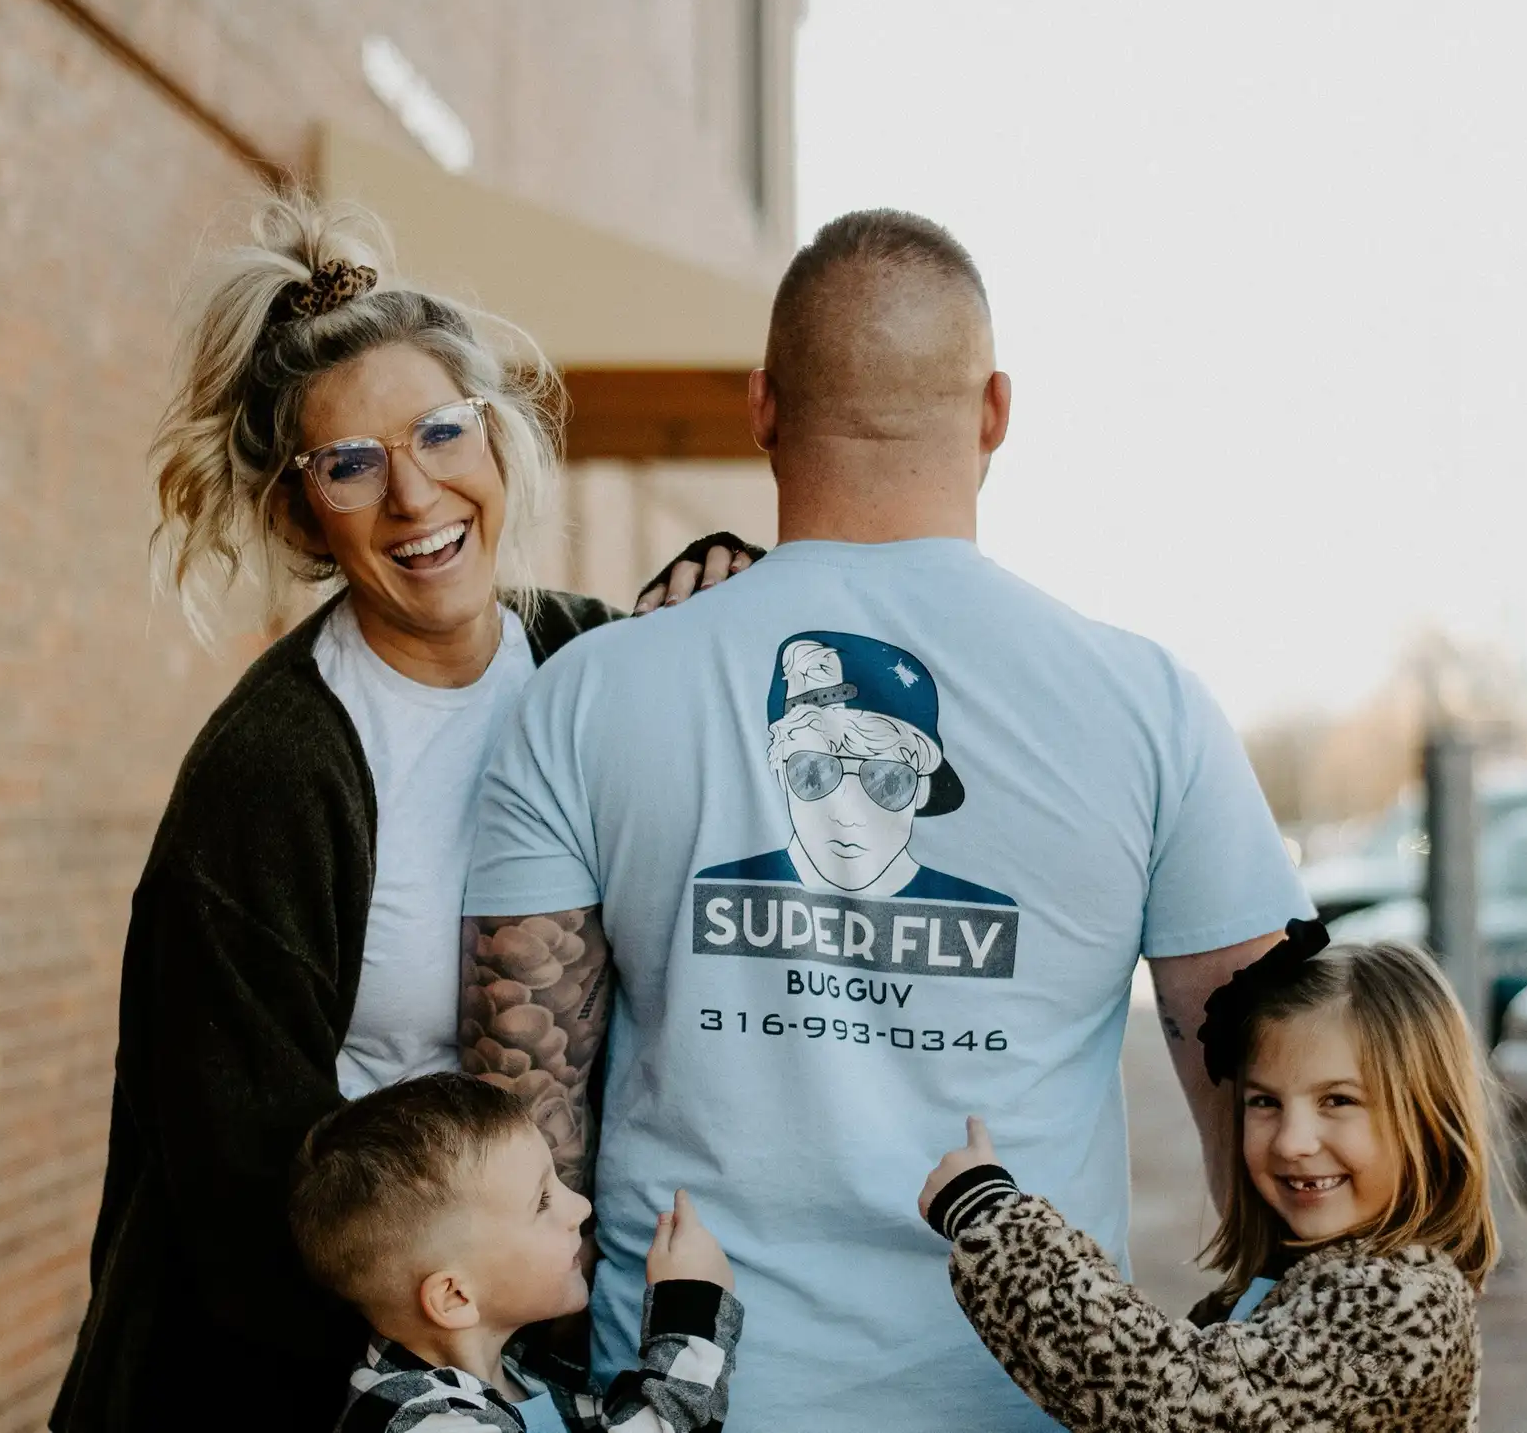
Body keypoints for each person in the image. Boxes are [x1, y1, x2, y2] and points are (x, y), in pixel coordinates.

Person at [459, 208, 1312, 1428]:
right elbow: (1291, 1093)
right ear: (996, 412)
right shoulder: (1147, 706)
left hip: (682, 1395)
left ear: (762, 407)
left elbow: (517, 1118)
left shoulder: (588, 693)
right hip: (1025, 1396)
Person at [51, 194, 754, 1433]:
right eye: (352, 464)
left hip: (528, 1356)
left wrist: (728, 591)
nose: (414, 496)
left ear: (496, 438)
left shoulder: (594, 659)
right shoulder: (270, 777)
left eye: (439, 433)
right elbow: (241, 1197)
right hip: (312, 1383)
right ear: (297, 510)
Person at [918, 930, 1499, 1432]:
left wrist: (997, 1226)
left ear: (1428, 1118)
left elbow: (1181, 1404)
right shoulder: (1296, 1284)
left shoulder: (1403, 1306)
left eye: (1338, 1100)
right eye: (1265, 1102)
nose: (1292, 1140)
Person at [287, 1074, 742, 1433]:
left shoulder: (525, 1377)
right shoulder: (417, 1419)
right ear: (455, 1297)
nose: (580, 1208)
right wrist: (691, 1322)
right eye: (542, 1202)